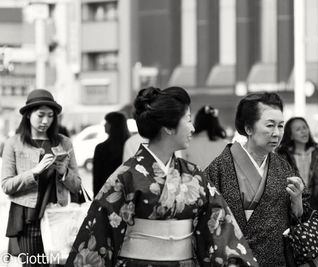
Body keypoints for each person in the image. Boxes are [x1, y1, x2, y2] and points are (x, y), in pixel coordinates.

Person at [66, 87, 258, 267]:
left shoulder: (195, 175)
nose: (192, 128)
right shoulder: (126, 177)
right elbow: (100, 233)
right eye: (188, 120)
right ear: (169, 127)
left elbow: (220, 224)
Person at [204, 92, 311, 266]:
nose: (277, 133)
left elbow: (301, 216)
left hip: (275, 260)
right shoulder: (220, 168)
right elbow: (205, 218)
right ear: (249, 128)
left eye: (281, 126)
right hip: (231, 260)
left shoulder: (283, 168)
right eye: (270, 125)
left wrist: (297, 200)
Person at [1, 89, 81, 266]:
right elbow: (6, 185)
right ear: (28, 114)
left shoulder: (64, 142)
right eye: (41, 115)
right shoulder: (13, 143)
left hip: (59, 218)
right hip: (29, 220)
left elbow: (77, 186)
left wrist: (64, 173)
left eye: (51, 116)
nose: (46, 121)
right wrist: (34, 172)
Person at [277, 117, 318, 209]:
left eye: (304, 127)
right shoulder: (282, 156)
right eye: (298, 129)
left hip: (316, 204)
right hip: (291, 205)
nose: (303, 131)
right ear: (291, 135)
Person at [92, 112, 131, 196]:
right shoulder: (130, 145)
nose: (104, 125)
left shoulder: (101, 148)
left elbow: (97, 179)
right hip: (127, 194)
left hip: (106, 195)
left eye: (107, 122)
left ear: (113, 125)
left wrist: (96, 198)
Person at [181, 105, 228, 170]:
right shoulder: (225, 145)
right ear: (215, 121)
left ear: (197, 121)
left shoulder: (187, 143)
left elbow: (183, 170)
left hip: (194, 179)